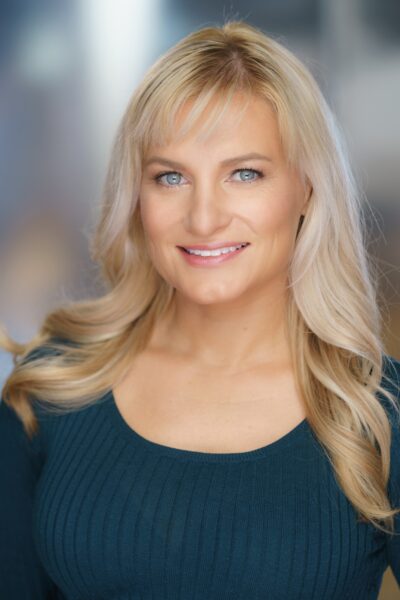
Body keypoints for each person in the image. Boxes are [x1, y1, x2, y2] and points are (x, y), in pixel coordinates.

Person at [0, 19, 399, 599]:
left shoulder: (377, 413)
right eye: (170, 177)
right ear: (136, 197)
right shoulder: (55, 383)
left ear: (307, 187)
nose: (204, 217)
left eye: (244, 173)